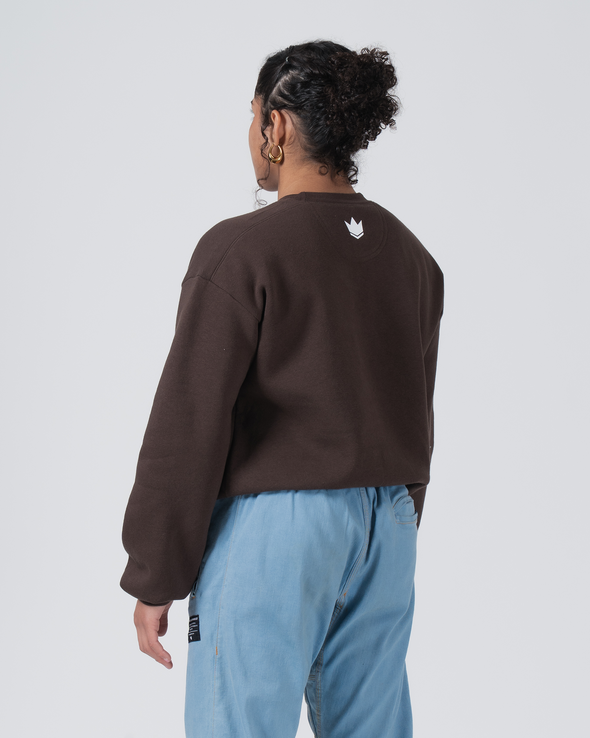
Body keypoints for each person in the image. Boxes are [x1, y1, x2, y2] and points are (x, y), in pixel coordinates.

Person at [120, 39, 444, 738]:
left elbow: (190, 419)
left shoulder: (242, 249)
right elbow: (415, 404)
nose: (251, 133)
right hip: (387, 525)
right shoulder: (412, 256)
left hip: (278, 528)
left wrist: (155, 570)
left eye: (253, 115)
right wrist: (396, 515)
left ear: (278, 125)